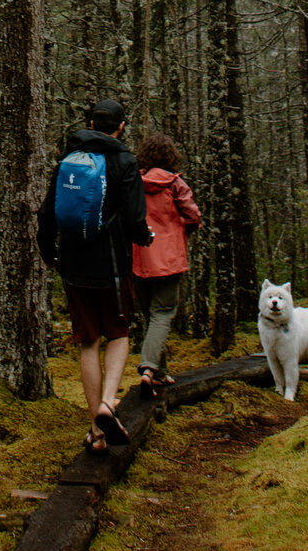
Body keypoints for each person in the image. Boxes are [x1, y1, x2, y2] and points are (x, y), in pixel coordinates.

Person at [37, 97, 153, 451]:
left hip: (73, 264)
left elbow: (47, 213)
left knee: (88, 341)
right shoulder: (125, 161)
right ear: (120, 126)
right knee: (118, 333)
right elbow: (135, 219)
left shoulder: (67, 160)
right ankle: (107, 404)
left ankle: (98, 431)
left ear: (90, 123)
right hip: (113, 265)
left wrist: (49, 252)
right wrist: (144, 237)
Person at [133, 130, 202, 397]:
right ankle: (149, 368)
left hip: (140, 256)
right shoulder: (175, 184)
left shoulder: (134, 183)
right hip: (169, 258)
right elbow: (193, 214)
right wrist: (186, 229)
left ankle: (158, 373)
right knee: (163, 313)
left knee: (151, 314)